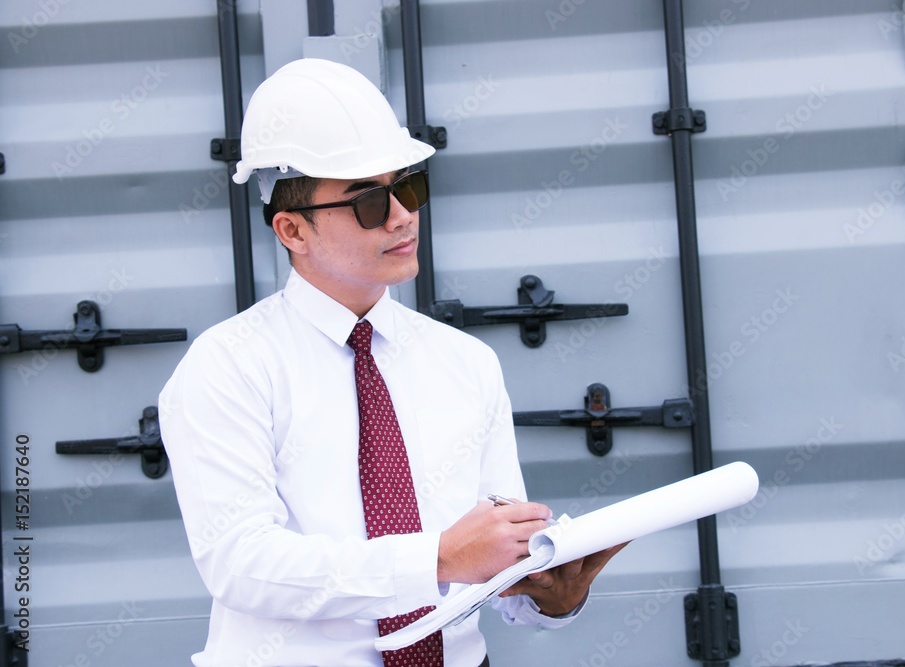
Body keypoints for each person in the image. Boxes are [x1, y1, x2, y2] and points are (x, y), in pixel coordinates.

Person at [159, 58, 624, 667]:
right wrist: (436, 560)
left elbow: (489, 552)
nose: (403, 215)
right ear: (292, 230)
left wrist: (547, 593)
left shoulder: (467, 362)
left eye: (408, 187)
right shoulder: (227, 367)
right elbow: (241, 564)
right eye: (369, 202)